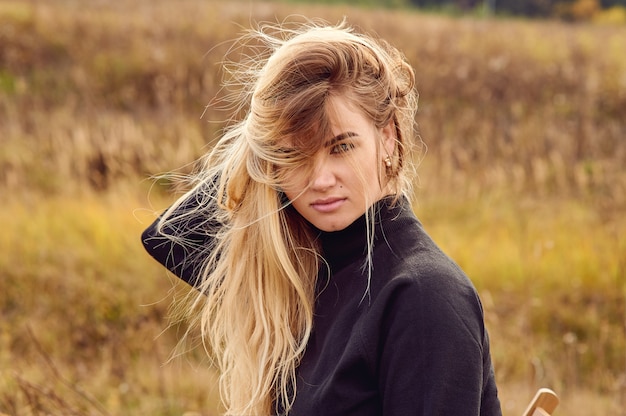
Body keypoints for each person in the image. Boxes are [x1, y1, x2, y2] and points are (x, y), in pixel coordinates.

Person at [142, 18, 502, 416]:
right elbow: (173, 236)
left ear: (388, 138)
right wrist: (267, 133)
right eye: (293, 155)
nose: (320, 180)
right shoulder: (301, 268)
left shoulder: (422, 296)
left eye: (341, 147)